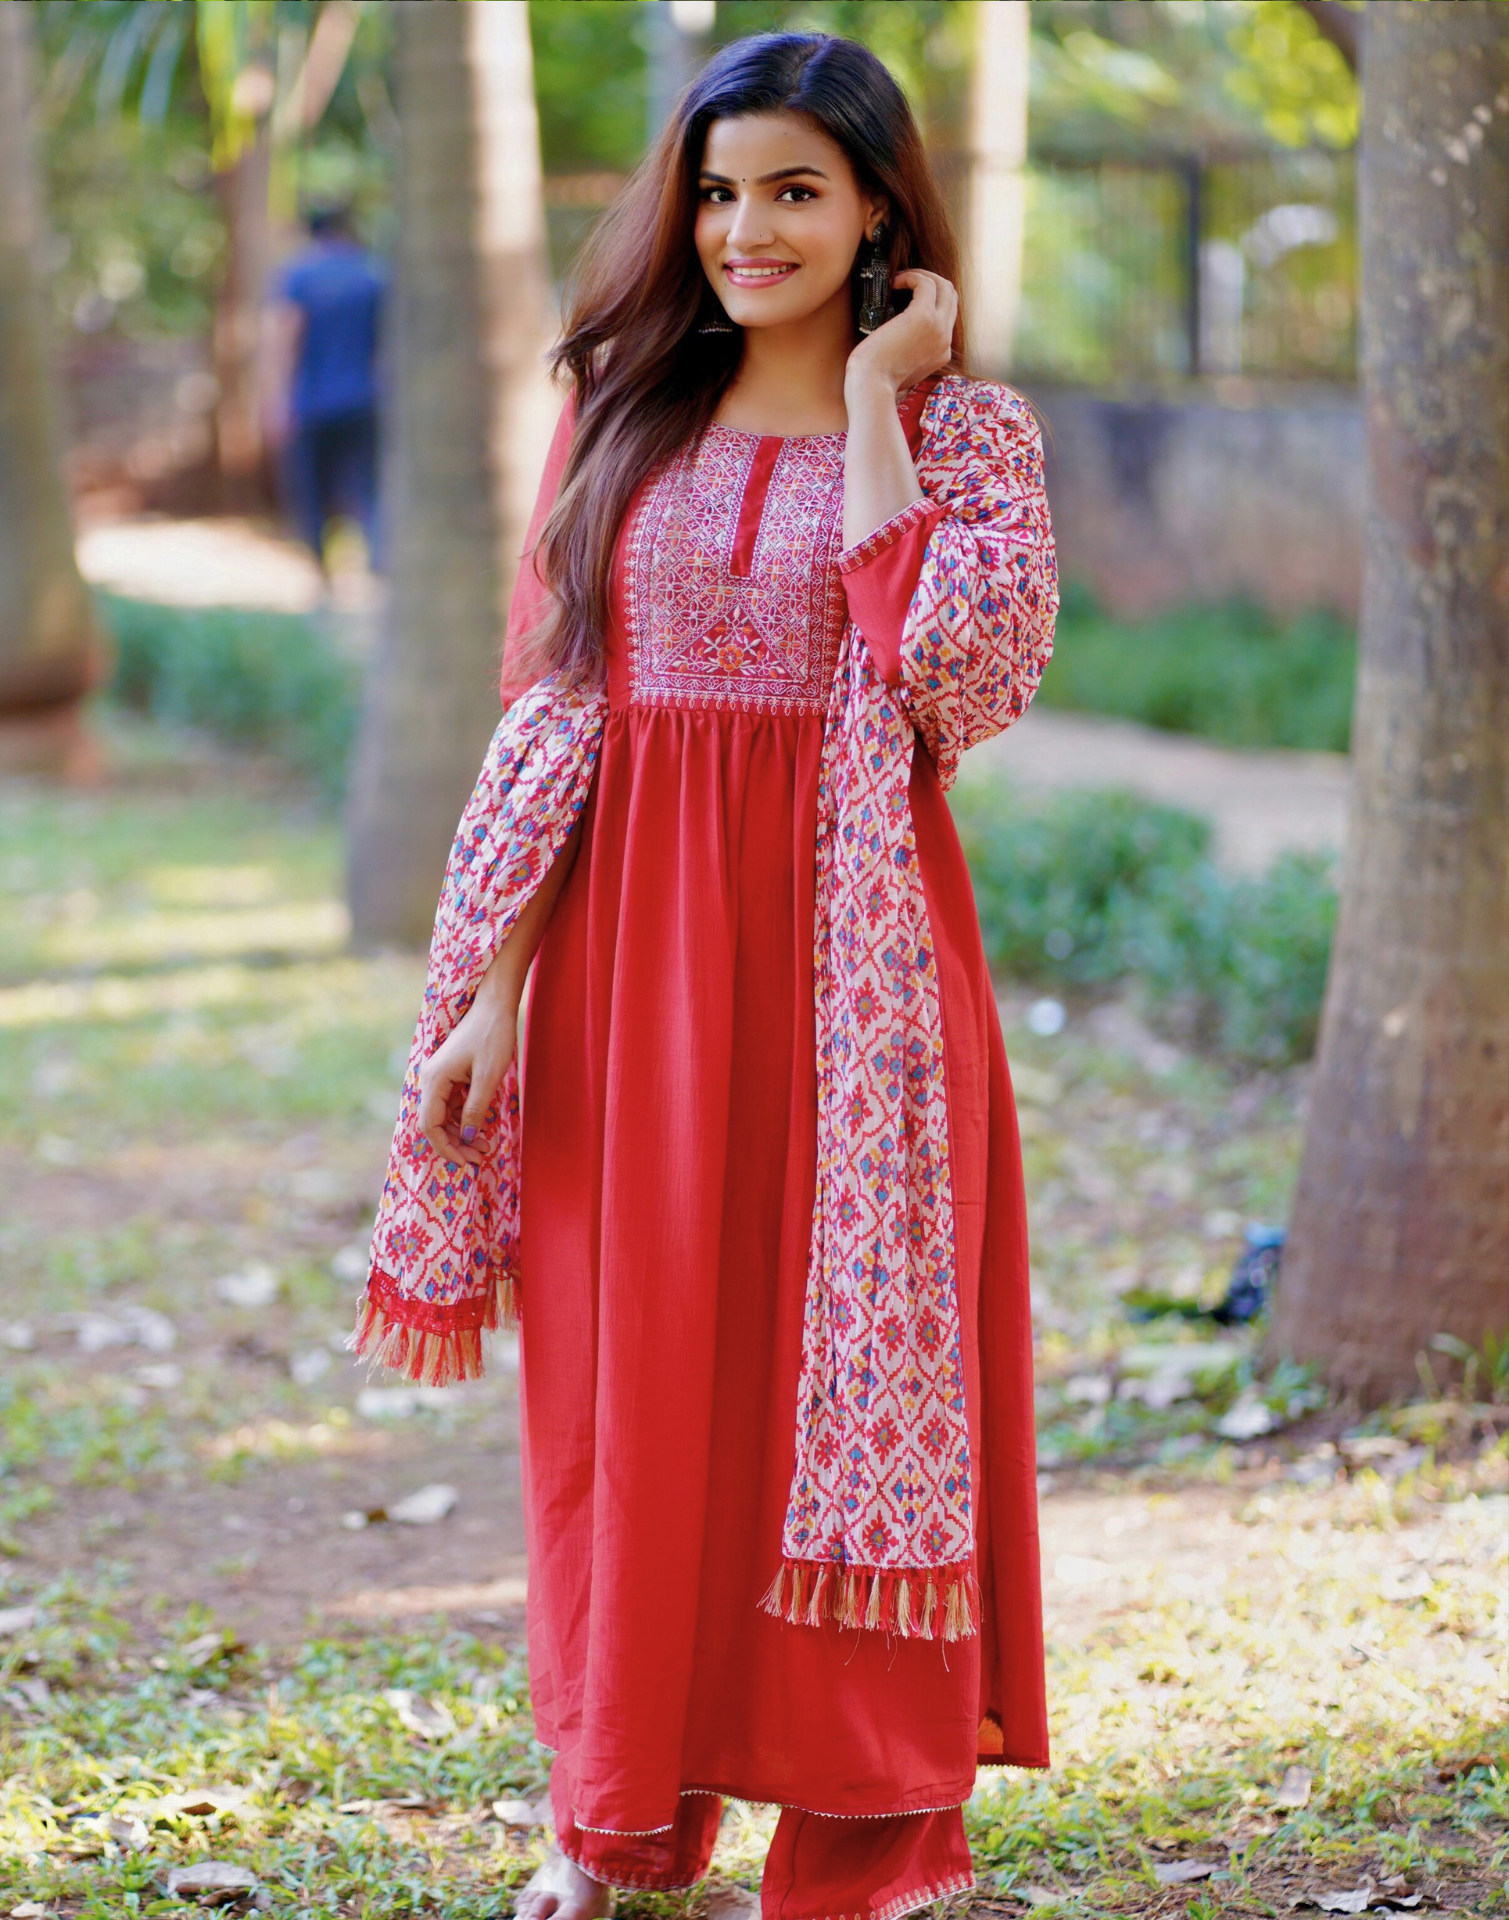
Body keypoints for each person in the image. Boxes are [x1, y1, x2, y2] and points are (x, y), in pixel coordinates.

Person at [352, 33, 1057, 1920]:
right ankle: (613, 1818)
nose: (744, 229)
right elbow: (554, 708)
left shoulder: (972, 439)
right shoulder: (626, 413)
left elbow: (949, 682)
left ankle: (859, 1829)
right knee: (625, 1400)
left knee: (834, 1377)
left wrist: (886, 407)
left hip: (861, 990)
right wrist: (493, 987)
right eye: (719, 190)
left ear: (879, 211)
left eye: (793, 192)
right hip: (616, 978)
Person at [263, 202, 386, 570]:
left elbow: (285, 339)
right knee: (365, 489)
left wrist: (276, 401)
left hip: (310, 404)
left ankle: (323, 576)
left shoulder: (298, 276)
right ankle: (375, 569)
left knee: (312, 494)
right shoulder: (372, 274)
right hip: (365, 400)